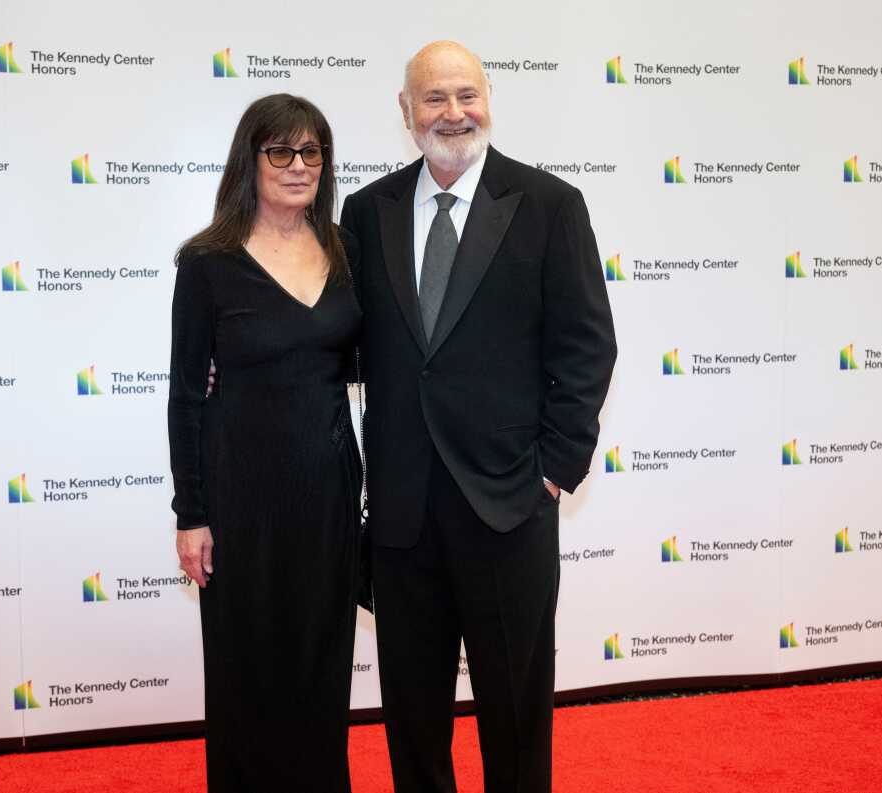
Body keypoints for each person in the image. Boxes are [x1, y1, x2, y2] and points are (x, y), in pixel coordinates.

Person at [339, 41, 616, 792]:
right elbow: (341, 342)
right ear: (405, 111)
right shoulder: (366, 212)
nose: (453, 113)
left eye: (467, 94)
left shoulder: (549, 206)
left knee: (517, 714)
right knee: (413, 718)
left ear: (489, 99)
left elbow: (588, 347)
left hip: (510, 508)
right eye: (434, 98)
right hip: (401, 517)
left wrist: (554, 472)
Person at [167, 93, 362, 793]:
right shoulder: (207, 264)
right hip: (239, 498)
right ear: (250, 160)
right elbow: (186, 395)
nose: (298, 164)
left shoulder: (346, 252)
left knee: (320, 661)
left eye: (312, 151)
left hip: (329, 495)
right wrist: (190, 512)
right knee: (247, 668)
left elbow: (369, 360)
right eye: (280, 150)